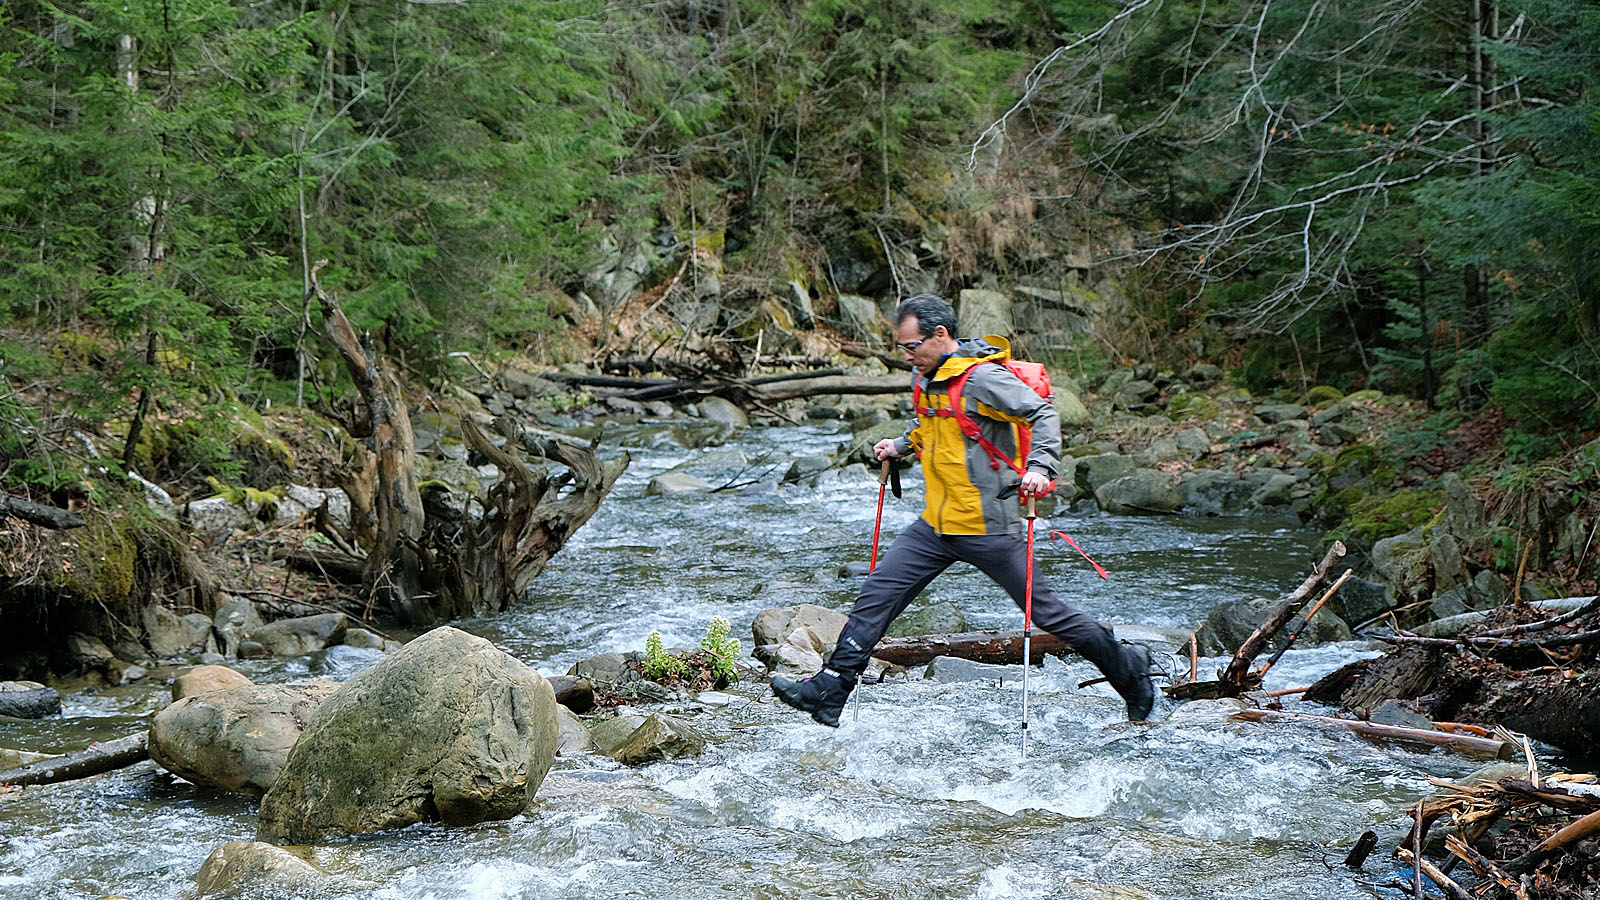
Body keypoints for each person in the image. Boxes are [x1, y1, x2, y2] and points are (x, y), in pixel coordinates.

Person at [771, 294, 1155, 727]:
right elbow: (936, 425)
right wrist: (900, 445)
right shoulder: (927, 377)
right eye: (901, 347)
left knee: (1048, 614)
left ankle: (1129, 670)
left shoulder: (982, 379)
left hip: (989, 527)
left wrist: (1041, 467)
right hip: (936, 525)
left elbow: (1042, 413)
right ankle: (831, 689)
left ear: (940, 335)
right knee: (877, 596)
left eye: (911, 346)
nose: (906, 355)